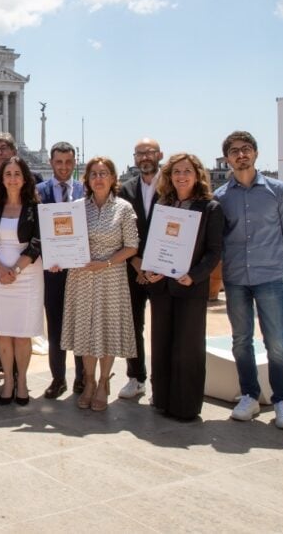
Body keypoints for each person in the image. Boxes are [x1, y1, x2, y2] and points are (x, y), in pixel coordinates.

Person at [214, 131, 283, 430]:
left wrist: (276, 265)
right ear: (227, 158)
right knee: (241, 341)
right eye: (235, 151)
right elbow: (219, 241)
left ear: (255, 154)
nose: (241, 155)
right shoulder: (220, 198)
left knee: (276, 342)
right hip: (236, 279)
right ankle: (250, 396)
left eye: (246, 149)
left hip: (269, 277)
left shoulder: (280, 192)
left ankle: (282, 401)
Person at [143, 153, 222, 421]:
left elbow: (214, 251)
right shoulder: (162, 205)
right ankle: (162, 399)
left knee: (187, 348)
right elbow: (153, 243)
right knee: (162, 344)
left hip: (189, 287)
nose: (181, 176)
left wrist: (195, 275)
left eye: (187, 171)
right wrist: (151, 268)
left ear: (197, 174)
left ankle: (185, 406)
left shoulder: (210, 207)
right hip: (162, 287)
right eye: (176, 171)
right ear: (169, 175)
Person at [58, 157, 139, 412]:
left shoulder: (124, 208)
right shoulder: (77, 207)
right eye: (94, 174)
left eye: (104, 173)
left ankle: (104, 382)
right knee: (85, 332)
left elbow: (131, 246)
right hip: (81, 276)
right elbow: (63, 240)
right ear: (87, 179)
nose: (99, 178)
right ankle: (89, 382)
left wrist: (104, 263)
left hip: (110, 277)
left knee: (107, 330)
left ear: (113, 178)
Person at [0, 156, 43, 406]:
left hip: (26, 275)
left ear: (25, 178)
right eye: (8, 174)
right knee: (4, 332)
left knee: (22, 332)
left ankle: (23, 381)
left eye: (17, 173)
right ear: (1, 178)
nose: (13, 178)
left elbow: (38, 241)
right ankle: (8, 380)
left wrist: (15, 270)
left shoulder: (34, 207)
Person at [36, 141, 86, 398]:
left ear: (74, 163)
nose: (64, 167)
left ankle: (81, 378)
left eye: (68, 162)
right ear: (51, 163)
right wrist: (48, 256)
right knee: (55, 327)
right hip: (52, 271)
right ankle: (58, 378)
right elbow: (34, 231)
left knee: (78, 325)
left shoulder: (85, 190)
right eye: (59, 162)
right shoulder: (38, 192)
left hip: (79, 271)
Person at [116, 137, 163, 400]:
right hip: (133, 268)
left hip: (162, 270)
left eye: (149, 152)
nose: (145, 157)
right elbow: (121, 230)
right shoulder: (126, 189)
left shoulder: (171, 186)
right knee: (132, 326)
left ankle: (161, 381)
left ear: (159, 155)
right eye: (139, 154)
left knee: (162, 326)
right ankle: (136, 377)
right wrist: (135, 262)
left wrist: (155, 265)